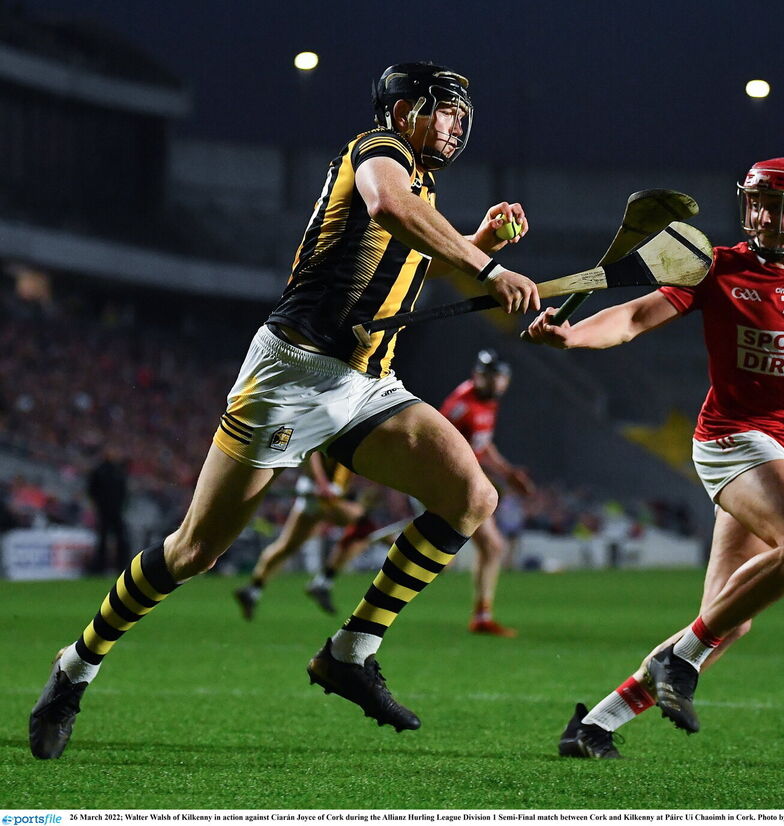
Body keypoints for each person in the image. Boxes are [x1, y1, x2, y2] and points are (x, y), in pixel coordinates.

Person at [29, 61, 541, 760]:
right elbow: (389, 210)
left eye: (459, 111)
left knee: (471, 498)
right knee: (194, 551)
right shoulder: (378, 151)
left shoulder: (422, 184)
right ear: (402, 111)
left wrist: (479, 245)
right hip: (293, 375)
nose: (457, 122)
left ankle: (350, 653)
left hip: (368, 382)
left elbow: (412, 262)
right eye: (443, 108)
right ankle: (75, 666)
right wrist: (490, 269)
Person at [526, 157, 784, 758]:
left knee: (726, 619)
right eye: (756, 204)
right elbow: (634, 316)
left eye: (778, 206)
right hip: (732, 440)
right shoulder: (717, 267)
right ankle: (680, 662)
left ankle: (593, 727)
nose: (763, 217)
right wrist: (573, 335)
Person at [439, 348, 534, 637]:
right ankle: (482, 616)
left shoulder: (488, 403)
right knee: (475, 549)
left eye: (499, 377)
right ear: (477, 375)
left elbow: (483, 445)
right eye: (489, 376)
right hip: (453, 482)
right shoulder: (461, 405)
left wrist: (507, 472)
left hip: (468, 482)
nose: (495, 382)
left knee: (490, 547)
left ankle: (482, 616)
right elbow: (440, 445)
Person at [233, 454, 370, 619]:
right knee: (364, 525)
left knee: (288, 545)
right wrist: (322, 483)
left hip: (326, 490)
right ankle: (323, 582)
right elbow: (314, 453)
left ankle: (253, 590)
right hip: (321, 491)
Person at [85, 447, 130, 575]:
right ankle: (102, 566)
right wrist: (99, 505)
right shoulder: (102, 470)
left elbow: (124, 491)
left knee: (118, 538)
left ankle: (119, 565)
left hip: (115, 510)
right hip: (105, 510)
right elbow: (92, 490)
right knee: (105, 538)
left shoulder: (117, 470)